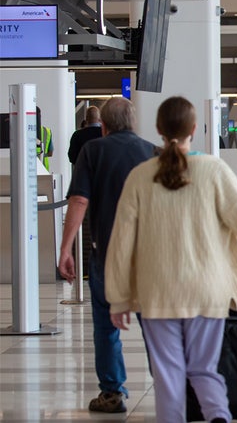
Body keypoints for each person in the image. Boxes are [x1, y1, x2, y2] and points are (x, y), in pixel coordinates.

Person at [105, 96, 237, 423]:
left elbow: (121, 242)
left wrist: (118, 299)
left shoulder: (140, 177)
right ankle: (218, 417)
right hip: (208, 291)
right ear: (194, 129)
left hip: (159, 293)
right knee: (204, 369)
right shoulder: (214, 170)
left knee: (169, 376)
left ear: (158, 130)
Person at [56, 98, 156, 414]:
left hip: (107, 254)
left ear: (104, 127)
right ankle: (169, 386)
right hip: (148, 255)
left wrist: (66, 248)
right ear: (133, 122)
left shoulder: (93, 151)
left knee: (105, 327)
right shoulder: (152, 151)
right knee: (155, 326)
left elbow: (80, 200)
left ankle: (112, 393)